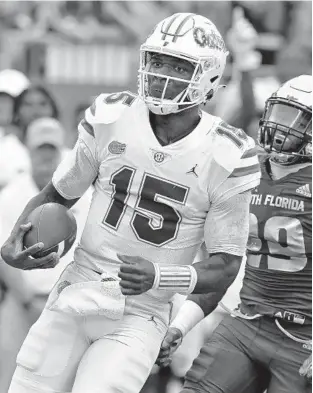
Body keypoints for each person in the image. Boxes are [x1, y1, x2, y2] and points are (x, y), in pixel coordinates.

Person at [1, 13, 260, 393]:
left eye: (176, 65)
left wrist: (159, 276)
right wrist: (15, 240)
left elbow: (225, 265)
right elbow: (56, 195)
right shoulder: (112, 117)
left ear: (207, 76)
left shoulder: (226, 154)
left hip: (141, 312)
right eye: (156, 61)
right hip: (76, 288)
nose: (160, 73)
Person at [158, 74, 312, 393]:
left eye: (294, 119)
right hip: (246, 321)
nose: (278, 126)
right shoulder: (245, 167)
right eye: (277, 114)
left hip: (304, 339)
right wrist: (180, 325)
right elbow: (223, 266)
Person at [0, 117, 91, 393]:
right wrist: (27, 300)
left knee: (66, 381)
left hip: (71, 303)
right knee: (9, 376)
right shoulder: (10, 194)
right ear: (28, 149)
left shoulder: (84, 195)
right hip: (21, 302)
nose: (46, 155)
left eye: (51, 149)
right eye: (40, 148)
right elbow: (3, 250)